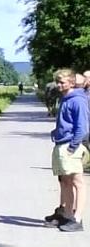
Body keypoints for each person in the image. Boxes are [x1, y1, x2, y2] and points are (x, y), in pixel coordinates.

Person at [46, 70, 88, 232]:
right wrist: (57, 133)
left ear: (71, 83)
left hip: (70, 145)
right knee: (65, 182)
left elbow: (82, 127)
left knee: (77, 182)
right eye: (58, 82)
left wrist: (73, 146)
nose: (59, 85)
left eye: (62, 82)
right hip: (61, 143)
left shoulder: (77, 100)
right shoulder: (65, 99)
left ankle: (77, 219)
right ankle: (67, 215)